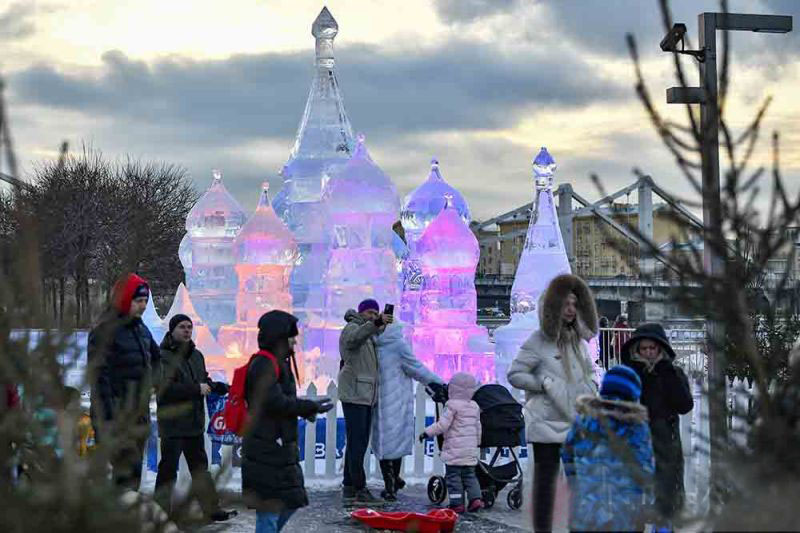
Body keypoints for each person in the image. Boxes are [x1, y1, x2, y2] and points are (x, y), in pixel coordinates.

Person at [507, 273, 598, 532]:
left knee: (578, 482)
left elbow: (589, 372)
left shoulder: (579, 341)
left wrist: (592, 387)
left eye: (574, 304)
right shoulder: (538, 341)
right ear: (553, 306)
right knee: (545, 485)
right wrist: (545, 384)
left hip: (576, 423)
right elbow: (515, 374)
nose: (570, 310)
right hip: (547, 423)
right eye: (565, 304)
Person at [242, 310, 333, 533]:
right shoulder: (264, 364)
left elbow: (282, 402)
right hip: (266, 448)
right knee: (269, 512)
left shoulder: (277, 362)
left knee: (289, 502)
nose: (295, 340)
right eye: (291, 335)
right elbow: (274, 402)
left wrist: (303, 408)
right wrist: (306, 407)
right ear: (279, 336)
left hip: (276, 447)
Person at [154, 314, 236, 522]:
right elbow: (165, 389)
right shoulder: (162, 357)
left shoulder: (196, 355)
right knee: (168, 470)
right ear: (172, 330)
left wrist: (215, 385)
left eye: (189, 327)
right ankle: (159, 512)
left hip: (193, 422)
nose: (187, 330)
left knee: (200, 469)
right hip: (173, 422)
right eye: (182, 327)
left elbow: (202, 380)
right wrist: (196, 388)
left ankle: (211, 508)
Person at [88, 273, 161, 491]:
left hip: (138, 413)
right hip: (116, 415)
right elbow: (99, 379)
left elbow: (156, 357)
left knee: (133, 475)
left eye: (145, 301)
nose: (143, 306)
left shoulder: (140, 328)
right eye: (138, 301)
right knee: (124, 473)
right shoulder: (105, 331)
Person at [562, 365, 655, 532]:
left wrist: (574, 480)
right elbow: (644, 467)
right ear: (634, 395)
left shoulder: (584, 421)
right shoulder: (636, 427)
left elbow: (567, 452)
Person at [621, 323, 693, 524]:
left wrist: (666, 372)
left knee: (667, 498)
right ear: (637, 349)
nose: (649, 353)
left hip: (666, 442)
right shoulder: (629, 374)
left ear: (661, 348)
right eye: (644, 348)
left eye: (652, 348)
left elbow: (685, 404)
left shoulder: (673, 373)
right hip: (636, 441)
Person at [372, 321, 444, 501]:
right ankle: (393, 480)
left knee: (391, 443)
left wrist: (437, 382)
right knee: (384, 443)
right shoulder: (371, 343)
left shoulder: (397, 346)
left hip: (395, 402)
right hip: (377, 400)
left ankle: (390, 486)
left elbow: (416, 368)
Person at [337, 298, 394, 502]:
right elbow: (355, 339)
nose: (372, 316)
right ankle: (360, 487)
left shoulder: (369, 333)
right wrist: (376, 323)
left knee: (357, 441)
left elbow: (367, 334)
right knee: (358, 443)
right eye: (369, 313)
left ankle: (349, 485)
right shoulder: (352, 327)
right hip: (355, 393)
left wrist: (379, 326)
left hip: (365, 394)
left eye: (375, 313)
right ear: (361, 313)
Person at [420, 372, 483, 513]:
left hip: (455, 450)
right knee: (470, 476)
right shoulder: (474, 406)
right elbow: (478, 426)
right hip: (470, 450)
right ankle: (476, 499)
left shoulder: (451, 405)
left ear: (452, 389)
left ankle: (457, 504)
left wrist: (427, 432)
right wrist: (477, 442)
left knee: (453, 478)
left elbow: (442, 425)